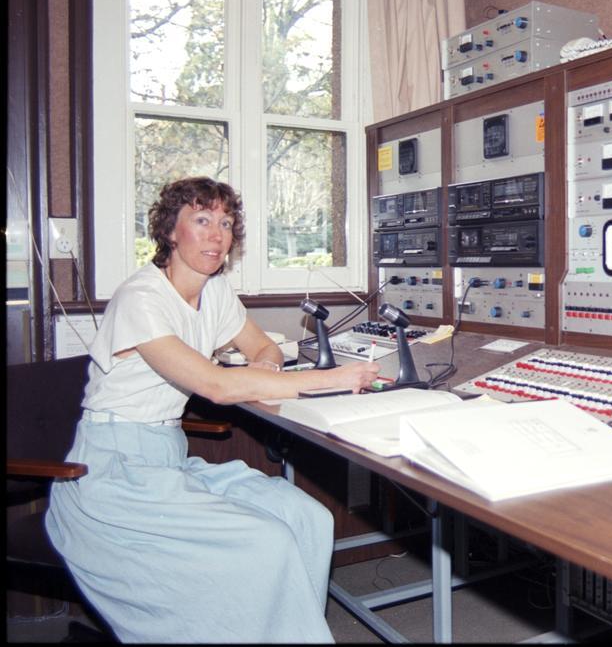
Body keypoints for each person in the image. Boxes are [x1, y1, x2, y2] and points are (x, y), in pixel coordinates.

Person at [45, 176, 379, 643]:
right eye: (201, 220)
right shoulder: (140, 298)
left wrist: (265, 367)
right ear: (169, 231)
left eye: (225, 223)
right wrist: (328, 380)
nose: (216, 235)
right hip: (112, 468)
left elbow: (264, 346)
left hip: (169, 459)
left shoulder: (214, 289)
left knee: (309, 518)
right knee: (265, 542)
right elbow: (215, 386)